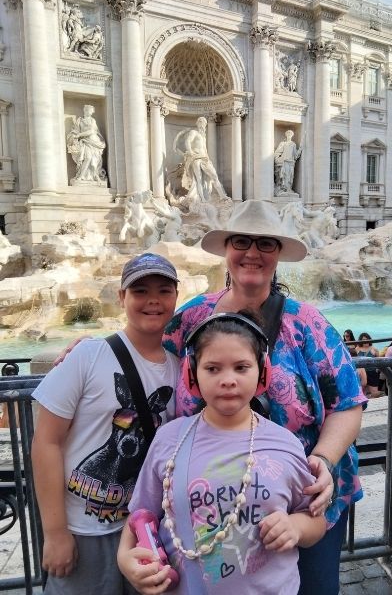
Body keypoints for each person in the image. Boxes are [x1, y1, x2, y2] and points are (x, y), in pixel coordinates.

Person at [161, 199, 366, 595]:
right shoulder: (191, 317)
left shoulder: (306, 322)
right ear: (226, 250)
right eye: (241, 241)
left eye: (265, 244)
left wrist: (323, 460)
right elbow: (144, 350)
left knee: (314, 588)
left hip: (305, 496)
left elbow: (347, 402)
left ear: (278, 256)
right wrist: (86, 349)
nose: (252, 253)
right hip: (216, 495)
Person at [118, 312, 326, 594]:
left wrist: (296, 527)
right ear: (192, 374)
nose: (228, 380)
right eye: (213, 369)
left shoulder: (285, 444)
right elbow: (141, 516)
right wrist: (124, 560)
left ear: (262, 371)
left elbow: (315, 519)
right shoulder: (169, 440)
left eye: (241, 367)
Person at [31, 253, 181, 594]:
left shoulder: (180, 369)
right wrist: (55, 533)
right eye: (140, 290)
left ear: (176, 297)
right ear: (122, 297)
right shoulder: (88, 355)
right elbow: (46, 442)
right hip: (83, 531)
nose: (153, 300)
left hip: (146, 530)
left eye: (163, 290)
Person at [173, 117, 227, 206]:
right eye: (201, 122)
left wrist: (208, 159)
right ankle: (202, 199)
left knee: (214, 176)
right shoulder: (194, 132)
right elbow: (187, 141)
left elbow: (205, 150)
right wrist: (190, 151)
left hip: (204, 159)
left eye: (204, 123)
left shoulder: (203, 137)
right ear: (197, 123)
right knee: (198, 180)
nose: (203, 124)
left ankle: (222, 196)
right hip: (196, 158)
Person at [67, 104, 106, 182]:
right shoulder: (80, 120)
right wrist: (73, 136)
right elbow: (75, 130)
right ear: (86, 110)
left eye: (91, 111)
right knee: (87, 158)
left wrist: (79, 135)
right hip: (84, 142)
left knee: (92, 159)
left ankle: (88, 176)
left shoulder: (92, 120)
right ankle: (81, 176)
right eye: (90, 110)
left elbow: (91, 131)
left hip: (94, 142)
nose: (91, 113)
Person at [354, 332, 382, 397]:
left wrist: (378, 370)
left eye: (367, 339)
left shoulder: (374, 349)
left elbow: (380, 361)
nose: (365, 341)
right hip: (361, 372)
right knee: (361, 392)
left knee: (374, 393)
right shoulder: (357, 349)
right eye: (363, 340)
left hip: (372, 372)